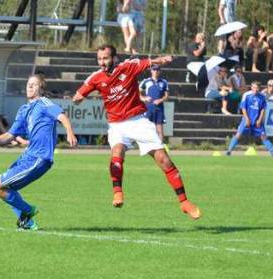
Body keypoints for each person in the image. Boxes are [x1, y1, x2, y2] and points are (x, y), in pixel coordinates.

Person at [72, 44, 201, 219]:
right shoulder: (95, 78)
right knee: (116, 154)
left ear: (114, 58)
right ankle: (117, 192)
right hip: (117, 125)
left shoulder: (127, 67)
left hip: (139, 120)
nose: (102, 62)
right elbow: (77, 97)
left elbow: (148, 62)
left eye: (105, 58)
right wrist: (78, 99)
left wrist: (161, 59)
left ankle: (184, 202)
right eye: (99, 59)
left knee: (164, 160)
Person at [0, 74, 77, 230]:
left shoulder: (44, 103)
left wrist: (69, 132)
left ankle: (28, 210)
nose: (30, 87)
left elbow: (61, 116)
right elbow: (9, 136)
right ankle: (26, 222)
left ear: (41, 88)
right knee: (5, 189)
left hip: (39, 158)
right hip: (27, 157)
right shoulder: (24, 110)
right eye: (28, 84)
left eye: (34, 84)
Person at [226, 81, 273, 157]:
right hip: (247, 120)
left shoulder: (262, 96)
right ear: (251, 87)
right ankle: (229, 150)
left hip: (257, 120)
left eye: (257, 88)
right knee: (239, 134)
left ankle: (272, 152)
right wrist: (247, 119)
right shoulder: (247, 95)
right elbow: (243, 108)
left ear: (259, 88)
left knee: (263, 136)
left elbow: (263, 109)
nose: (255, 89)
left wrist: (260, 120)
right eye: (254, 87)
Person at [140, 65, 169, 142]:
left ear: (160, 71)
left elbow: (166, 96)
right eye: (154, 69)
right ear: (151, 71)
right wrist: (144, 98)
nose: (156, 71)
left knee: (159, 129)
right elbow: (137, 92)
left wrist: (160, 100)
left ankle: (160, 146)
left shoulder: (164, 82)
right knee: (146, 127)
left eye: (157, 70)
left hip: (159, 108)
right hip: (148, 108)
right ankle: (146, 145)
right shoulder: (146, 81)